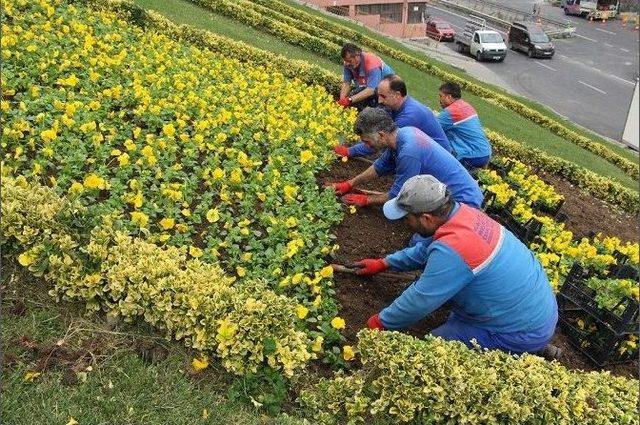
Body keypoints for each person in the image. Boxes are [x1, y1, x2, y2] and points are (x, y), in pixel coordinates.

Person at [356, 174, 559, 355]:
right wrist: (384, 263)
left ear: (426, 218)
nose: (404, 223)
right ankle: (534, 346)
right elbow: (425, 250)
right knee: (452, 301)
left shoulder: (456, 249)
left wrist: (381, 322)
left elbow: (421, 299)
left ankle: (527, 348)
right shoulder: (462, 214)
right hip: (533, 309)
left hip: (520, 330)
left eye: (406, 218)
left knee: (432, 348)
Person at [330, 107, 483, 210]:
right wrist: (349, 184)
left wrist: (366, 200)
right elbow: (380, 166)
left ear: (381, 135)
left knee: (423, 237)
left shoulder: (409, 151)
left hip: (464, 201)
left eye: (366, 141)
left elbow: (399, 195)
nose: (366, 146)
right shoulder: (403, 133)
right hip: (457, 192)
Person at [335, 75, 451, 158]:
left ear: (397, 95)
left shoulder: (409, 116)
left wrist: (349, 151)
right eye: (378, 95)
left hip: (435, 157)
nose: (379, 100)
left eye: (383, 96)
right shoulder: (399, 106)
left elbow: (381, 139)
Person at [437, 82, 492, 170]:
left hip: (471, 156)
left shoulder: (451, 112)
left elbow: (432, 128)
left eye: (441, 96)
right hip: (485, 152)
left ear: (449, 97)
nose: (439, 99)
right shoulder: (467, 106)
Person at [337, 43, 394, 110]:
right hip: (370, 88)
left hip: (387, 94)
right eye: (345, 61)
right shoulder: (348, 64)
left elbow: (371, 90)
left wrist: (349, 100)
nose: (346, 63)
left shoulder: (372, 65)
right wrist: (341, 102)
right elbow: (346, 83)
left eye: (349, 61)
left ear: (357, 56)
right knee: (354, 97)